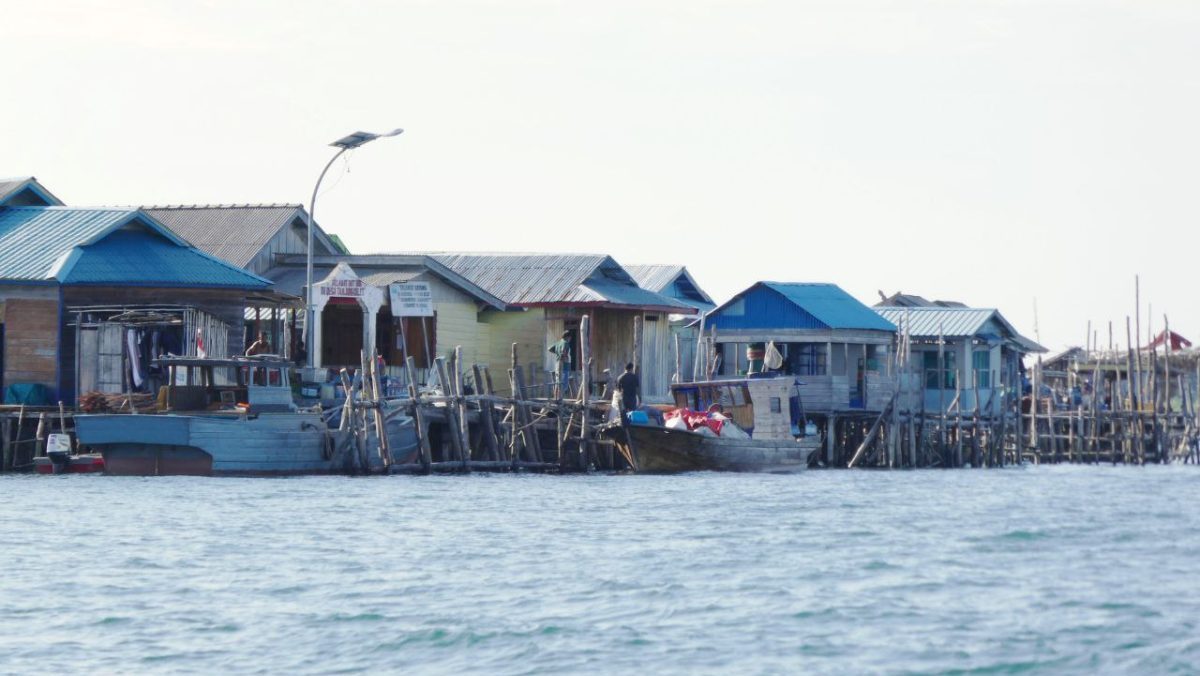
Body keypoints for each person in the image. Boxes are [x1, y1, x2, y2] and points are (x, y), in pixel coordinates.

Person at [548, 330, 572, 397]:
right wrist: (563, 356)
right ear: (568, 337)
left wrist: (557, 353)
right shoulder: (565, 343)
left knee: (558, 382)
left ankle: (556, 397)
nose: (570, 339)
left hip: (557, 364)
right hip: (564, 365)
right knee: (564, 384)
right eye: (570, 338)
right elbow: (563, 352)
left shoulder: (558, 343)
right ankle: (560, 398)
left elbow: (549, 348)